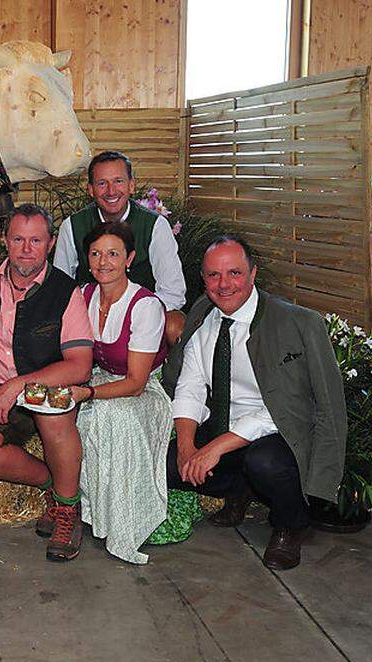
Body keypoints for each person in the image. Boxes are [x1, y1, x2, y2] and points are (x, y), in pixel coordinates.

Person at [162, 235, 347, 570]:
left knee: (265, 462)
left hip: (278, 431)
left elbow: (288, 407)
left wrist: (215, 448)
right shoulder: (203, 319)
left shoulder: (296, 323)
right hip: (222, 423)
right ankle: (240, 490)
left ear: (252, 274)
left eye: (234, 273)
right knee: (168, 465)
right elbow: (189, 387)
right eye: (213, 275)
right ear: (203, 281)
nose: (224, 284)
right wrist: (188, 447)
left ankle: (291, 525)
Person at [0, 203, 93, 562]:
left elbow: (80, 366)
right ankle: (51, 482)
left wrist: (18, 385)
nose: (26, 249)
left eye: (36, 240)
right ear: (6, 240)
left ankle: (67, 509)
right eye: (18, 239)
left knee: (54, 408)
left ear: (50, 244)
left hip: (41, 386)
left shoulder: (66, 291)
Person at [68, 221, 177, 564]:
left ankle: (125, 521)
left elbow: (136, 383)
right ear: (87, 259)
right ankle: (91, 511)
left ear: (129, 258)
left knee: (113, 416)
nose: (104, 262)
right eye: (96, 254)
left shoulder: (145, 306)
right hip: (96, 379)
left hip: (142, 389)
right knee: (76, 415)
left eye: (113, 254)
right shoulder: (82, 295)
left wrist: (87, 395)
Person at [53, 150, 187, 344]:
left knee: (175, 323)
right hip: (91, 315)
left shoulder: (155, 226)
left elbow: (173, 292)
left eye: (118, 181)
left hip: (142, 317)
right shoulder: (72, 226)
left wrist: (135, 316)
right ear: (90, 189)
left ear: (131, 185)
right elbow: (61, 287)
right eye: (102, 183)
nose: (111, 191)